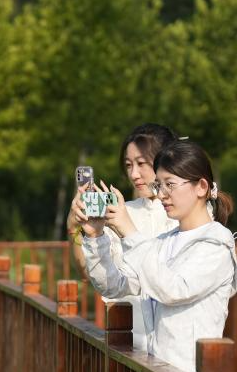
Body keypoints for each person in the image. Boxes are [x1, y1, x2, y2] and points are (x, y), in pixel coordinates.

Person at [70, 140, 237, 372]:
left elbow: (172, 290)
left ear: (201, 187)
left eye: (170, 184)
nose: (161, 195)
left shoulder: (216, 244)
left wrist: (128, 230)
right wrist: (95, 236)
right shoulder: (163, 242)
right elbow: (114, 286)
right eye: (159, 185)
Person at [67, 124, 180, 349]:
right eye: (129, 165)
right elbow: (89, 273)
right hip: (129, 344)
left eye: (142, 163)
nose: (134, 174)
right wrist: (75, 229)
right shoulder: (122, 211)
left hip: (176, 346)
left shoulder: (187, 214)